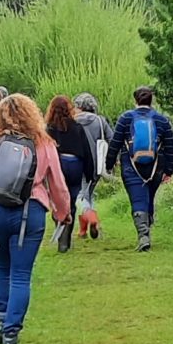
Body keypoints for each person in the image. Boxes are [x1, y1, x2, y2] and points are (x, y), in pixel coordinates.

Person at [0, 92, 71, 344]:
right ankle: (11, 334)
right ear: (32, 113)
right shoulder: (43, 143)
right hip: (29, 212)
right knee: (21, 275)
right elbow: (57, 183)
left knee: (0, 268)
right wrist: (62, 212)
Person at [104, 85, 173, 252]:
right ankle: (148, 225)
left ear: (135, 100)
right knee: (149, 197)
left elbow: (115, 144)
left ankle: (143, 236)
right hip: (156, 166)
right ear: (152, 101)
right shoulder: (162, 120)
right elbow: (170, 146)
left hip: (131, 166)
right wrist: (169, 170)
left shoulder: (126, 118)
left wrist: (109, 165)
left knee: (138, 199)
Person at [45, 95, 96, 253]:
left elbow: (44, 152)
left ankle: (61, 233)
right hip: (75, 165)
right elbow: (87, 151)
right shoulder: (77, 127)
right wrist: (90, 173)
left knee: (57, 201)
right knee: (71, 201)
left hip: (57, 165)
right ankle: (65, 240)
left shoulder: (49, 129)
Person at [72, 92, 111, 241]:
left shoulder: (73, 121)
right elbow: (111, 139)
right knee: (88, 193)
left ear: (79, 107)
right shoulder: (101, 121)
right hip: (97, 164)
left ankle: (91, 217)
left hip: (77, 162)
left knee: (80, 195)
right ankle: (83, 230)